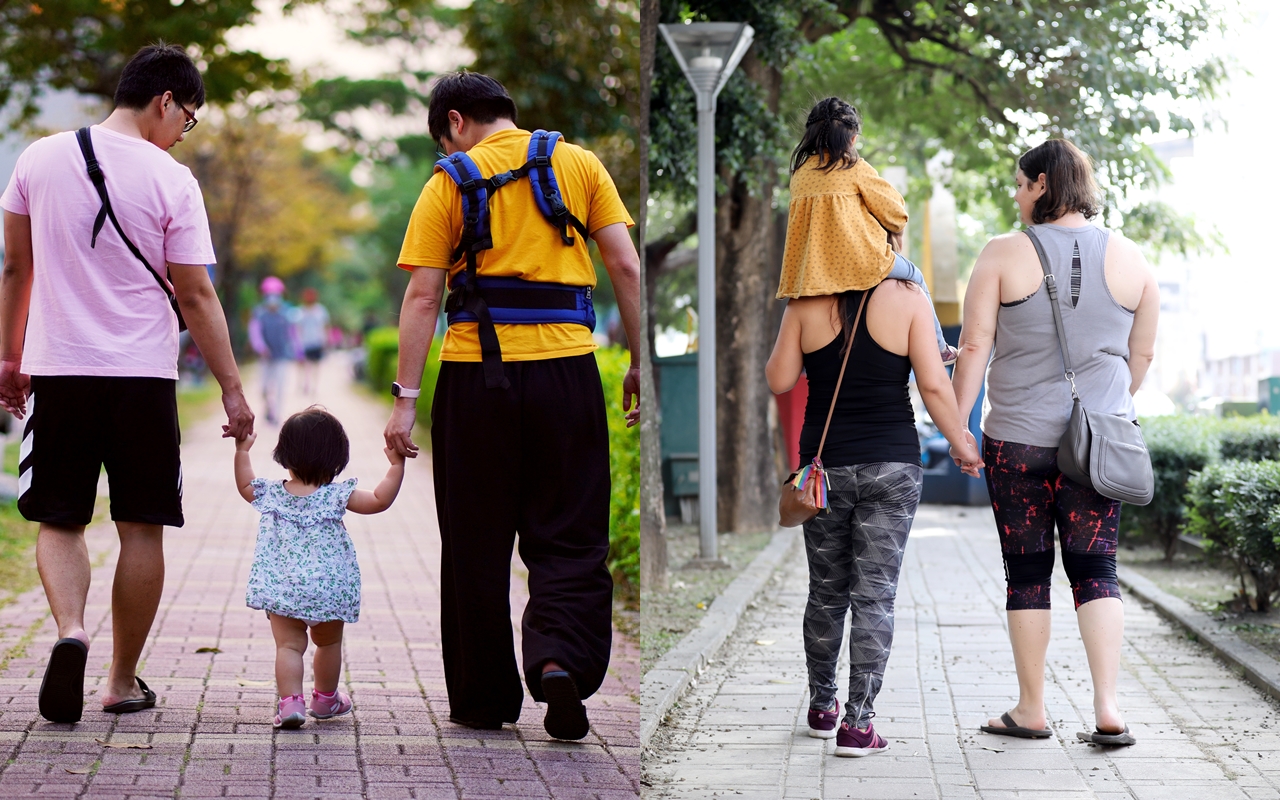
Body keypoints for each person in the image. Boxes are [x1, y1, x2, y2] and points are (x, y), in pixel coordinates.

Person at [0, 43, 254, 724]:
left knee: (60, 518)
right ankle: (118, 680)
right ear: (165, 100)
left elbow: (16, 271)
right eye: (188, 119)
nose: (182, 132)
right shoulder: (172, 180)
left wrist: (7, 359)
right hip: (142, 377)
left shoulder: (36, 158)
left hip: (58, 368)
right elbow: (196, 294)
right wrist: (231, 389)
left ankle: (69, 632)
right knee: (142, 527)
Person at [382, 71, 640, 740]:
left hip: (475, 383)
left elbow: (421, 299)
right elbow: (626, 266)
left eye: (445, 136)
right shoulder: (578, 163)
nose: (448, 147)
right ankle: (561, 660)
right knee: (571, 532)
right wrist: (638, 362)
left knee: (475, 542)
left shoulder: (448, 181)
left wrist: (404, 404)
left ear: (457, 121)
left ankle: (484, 696)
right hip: (567, 373)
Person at [950, 139, 1158, 747]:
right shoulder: (1132, 258)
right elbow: (1139, 356)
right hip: (1097, 444)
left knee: (1028, 572)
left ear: (1042, 184)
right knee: (1098, 569)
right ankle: (1108, 707)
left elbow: (973, 346)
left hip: (1014, 440)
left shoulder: (1000, 255)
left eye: (1020, 184)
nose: (1015, 195)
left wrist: (959, 428)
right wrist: (1107, 413)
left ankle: (1032, 708)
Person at [234, 407, 405, 728]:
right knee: (327, 643)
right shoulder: (337, 495)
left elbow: (245, 485)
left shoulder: (272, 494)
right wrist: (396, 466)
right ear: (337, 459)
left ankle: (290, 705)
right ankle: (325, 700)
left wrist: (242, 451)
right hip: (328, 588)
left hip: (283, 587)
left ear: (283, 455)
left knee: (288, 646)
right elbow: (380, 500)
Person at [776, 97, 957, 364]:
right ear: (851, 139)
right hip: (861, 264)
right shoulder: (853, 167)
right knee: (915, 276)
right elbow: (896, 212)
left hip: (813, 270)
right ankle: (939, 347)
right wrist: (892, 229)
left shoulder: (800, 175)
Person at [248, 276, 294, 425]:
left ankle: (277, 414)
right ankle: (269, 408)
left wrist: (297, 351)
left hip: (281, 357)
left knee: (280, 387)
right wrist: (261, 347)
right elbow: (254, 333)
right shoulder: (259, 314)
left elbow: (292, 334)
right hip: (265, 358)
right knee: (264, 388)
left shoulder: (286, 313)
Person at [295, 287, 330, 395]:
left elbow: (325, 326)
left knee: (316, 366)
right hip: (304, 343)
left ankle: (314, 386)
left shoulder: (320, 310)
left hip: (317, 342)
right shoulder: (300, 311)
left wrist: (326, 340)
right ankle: (305, 384)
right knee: (305, 365)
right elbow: (298, 328)